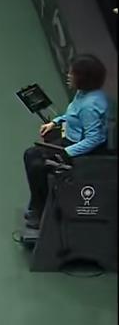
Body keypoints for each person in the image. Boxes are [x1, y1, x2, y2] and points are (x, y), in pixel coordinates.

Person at [22, 54, 112, 229]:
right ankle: (37, 203)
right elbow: (73, 113)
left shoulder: (90, 106)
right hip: (69, 141)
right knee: (31, 154)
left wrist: (66, 152)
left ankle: (41, 212)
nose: (68, 76)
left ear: (84, 78)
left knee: (37, 165)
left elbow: (95, 139)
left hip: (82, 152)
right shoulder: (84, 93)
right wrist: (55, 122)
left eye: (72, 74)